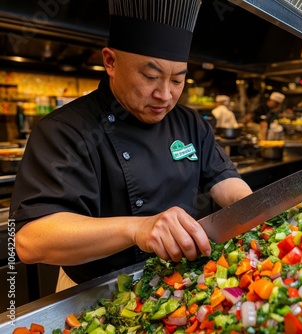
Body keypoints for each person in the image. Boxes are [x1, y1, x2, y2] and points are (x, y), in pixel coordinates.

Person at [9, 0, 253, 291]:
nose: (165, 94)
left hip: (178, 283)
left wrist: (257, 213)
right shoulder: (65, 130)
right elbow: (30, 240)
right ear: (110, 62)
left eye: (178, 79)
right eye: (150, 76)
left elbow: (224, 179)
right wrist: (137, 228)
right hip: (93, 293)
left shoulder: (190, 122)